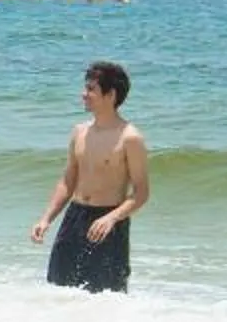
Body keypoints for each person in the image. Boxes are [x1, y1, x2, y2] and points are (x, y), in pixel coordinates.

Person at [31, 61, 150, 291]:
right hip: (74, 218)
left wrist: (112, 218)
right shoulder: (79, 132)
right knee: (58, 289)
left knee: (105, 296)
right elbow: (68, 180)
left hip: (107, 224)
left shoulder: (130, 138)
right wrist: (46, 219)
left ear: (111, 94)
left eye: (91, 89)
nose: (83, 94)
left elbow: (142, 193)